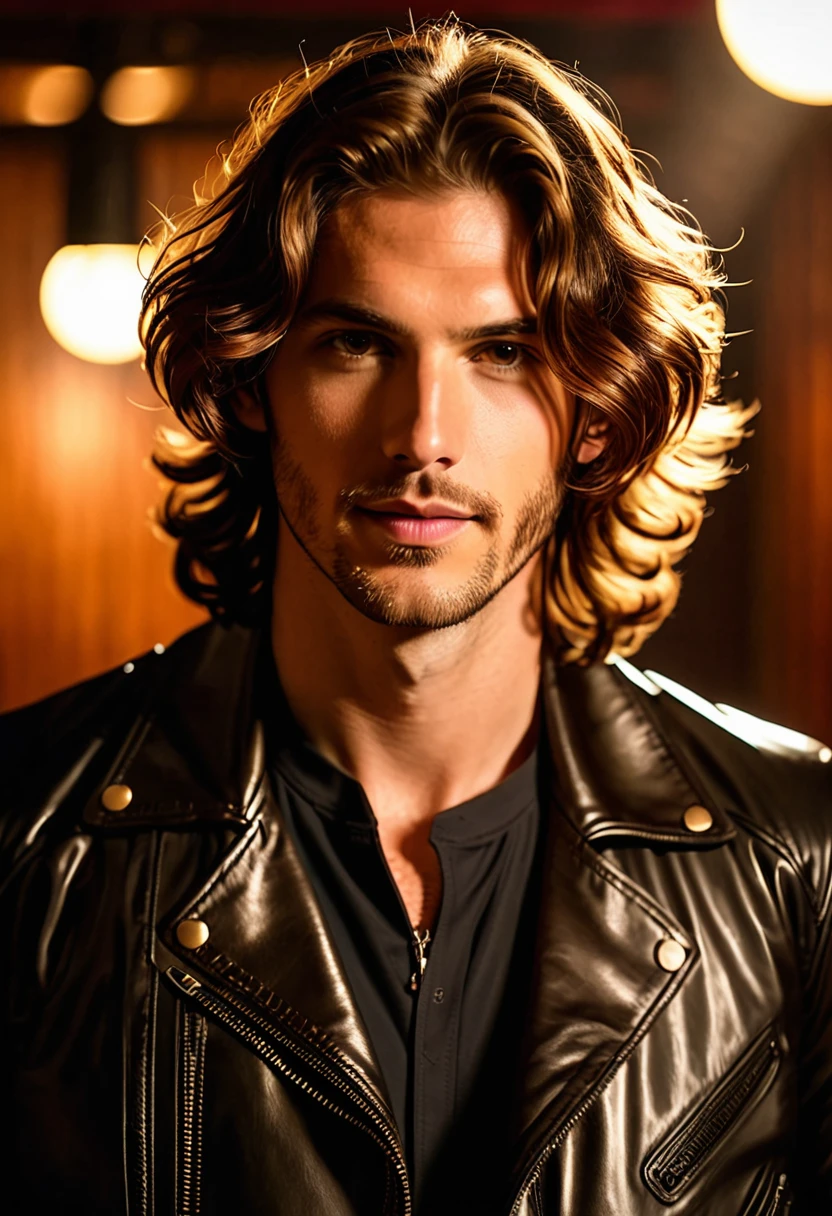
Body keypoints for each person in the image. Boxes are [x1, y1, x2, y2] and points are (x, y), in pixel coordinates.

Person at [1, 16, 830, 1215]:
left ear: (594, 413)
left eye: (501, 352)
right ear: (250, 384)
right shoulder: (31, 842)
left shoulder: (796, 860)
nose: (422, 436)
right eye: (354, 343)